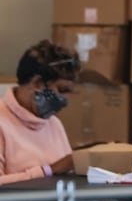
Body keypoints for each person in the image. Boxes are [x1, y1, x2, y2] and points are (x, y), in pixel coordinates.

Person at [0, 40, 79, 185]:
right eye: (61, 90)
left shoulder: (54, 124)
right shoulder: (2, 123)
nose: (64, 100)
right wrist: (48, 170)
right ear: (37, 83)